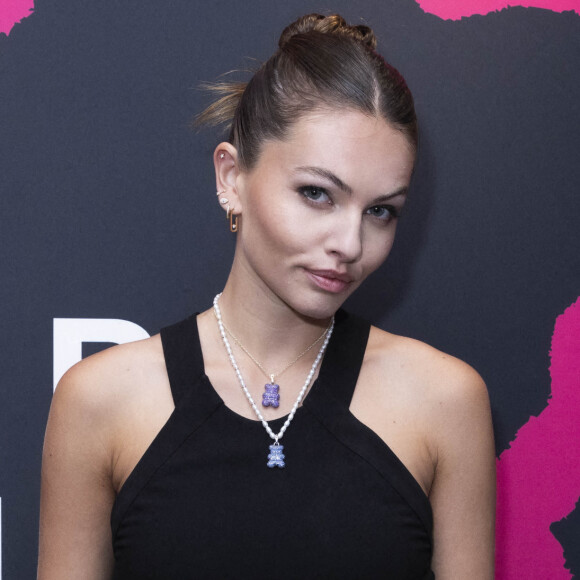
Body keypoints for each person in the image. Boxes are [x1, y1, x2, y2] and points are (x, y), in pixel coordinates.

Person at [37, 13, 495, 579]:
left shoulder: (446, 401)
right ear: (231, 177)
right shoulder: (98, 400)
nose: (349, 244)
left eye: (381, 211)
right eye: (317, 194)